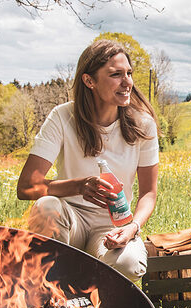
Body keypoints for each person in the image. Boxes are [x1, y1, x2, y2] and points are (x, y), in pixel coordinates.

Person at [16, 39, 159, 282]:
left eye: (129, 73)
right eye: (116, 74)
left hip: (113, 224)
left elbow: (149, 193)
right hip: (69, 218)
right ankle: (54, 285)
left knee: (129, 264)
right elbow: (27, 186)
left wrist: (132, 228)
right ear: (89, 80)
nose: (127, 83)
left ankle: (79, 271)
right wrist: (78, 186)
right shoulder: (62, 117)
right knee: (45, 208)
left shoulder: (143, 123)